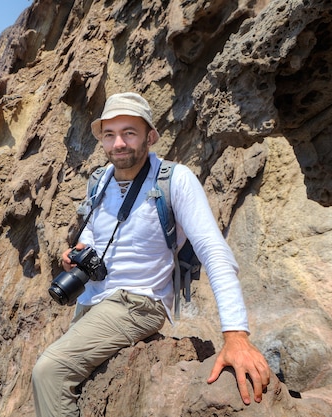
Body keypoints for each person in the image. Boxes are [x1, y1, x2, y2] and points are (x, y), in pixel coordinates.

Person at [32, 92, 271, 416]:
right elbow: (93, 232)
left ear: (151, 136)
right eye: (110, 134)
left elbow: (214, 252)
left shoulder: (176, 181)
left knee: (49, 372)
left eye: (130, 132)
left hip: (138, 302)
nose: (119, 143)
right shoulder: (100, 180)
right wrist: (76, 253)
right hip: (93, 299)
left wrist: (236, 335)